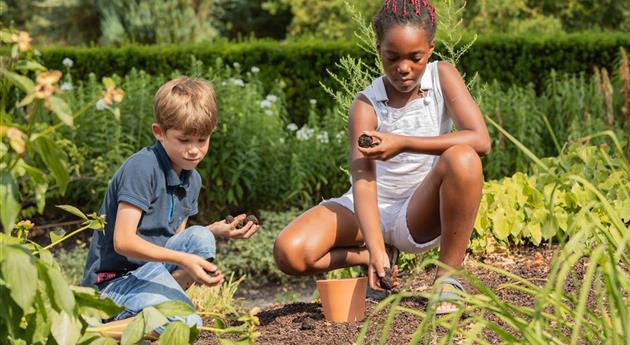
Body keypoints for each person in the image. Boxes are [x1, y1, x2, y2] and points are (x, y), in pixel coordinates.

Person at [273, 0, 490, 314]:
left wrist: (402, 142)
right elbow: (363, 182)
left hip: (416, 212)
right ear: (378, 50)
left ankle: (447, 281)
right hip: (367, 211)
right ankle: (376, 256)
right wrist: (374, 251)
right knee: (289, 252)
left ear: (431, 48)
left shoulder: (442, 76)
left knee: (464, 159)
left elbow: (481, 140)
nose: (404, 67)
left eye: (415, 58)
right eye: (392, 57)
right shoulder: (366, 103)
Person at [81, 76, 259, 336]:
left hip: (148, 272)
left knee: (201, 236)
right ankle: (94, 330)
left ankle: (153, 310)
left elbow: (173, 242)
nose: (194, 151)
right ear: (159, 132)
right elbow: (123, 241)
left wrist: (215, 231)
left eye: (202, 140)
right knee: (186, 325)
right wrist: (185, 259)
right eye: (184, 140)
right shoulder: (142, 168)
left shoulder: (192, 178)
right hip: (113, 282)